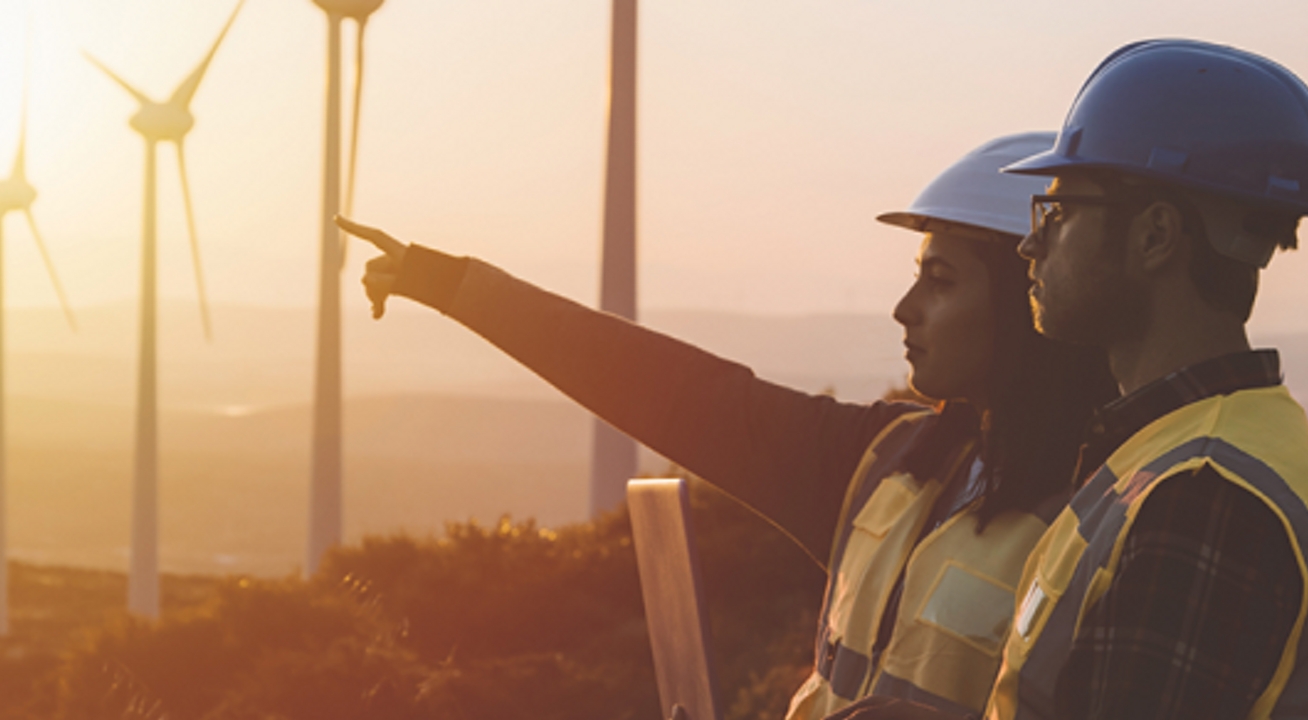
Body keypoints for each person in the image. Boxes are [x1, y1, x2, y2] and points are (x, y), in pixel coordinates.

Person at [338, 131, 1118, 720]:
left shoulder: (1107, 514)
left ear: (1028, 298)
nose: (904, 309)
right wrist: (451, 286)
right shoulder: (885, 461)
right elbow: (670, 390)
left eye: (940, 282)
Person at [829, 40, 1308, 720]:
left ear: (1155, 236)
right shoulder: (1177, 452)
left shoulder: (1203, 498)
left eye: (1058, 212)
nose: (1031, 244)